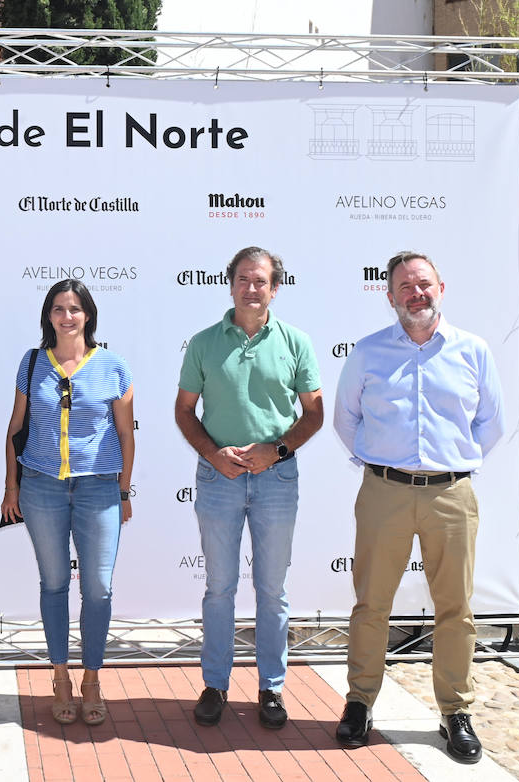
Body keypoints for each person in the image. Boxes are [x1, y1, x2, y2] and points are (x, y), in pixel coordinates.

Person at [332, 251, 504, 764]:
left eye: (424, 284)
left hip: (452, 494)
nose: (416, 293)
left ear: (441, 288)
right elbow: (347, 421)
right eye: (405, 286)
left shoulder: (473, 351)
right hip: (384, 491)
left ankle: (456, 711)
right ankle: (360, 703)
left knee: (455, 609)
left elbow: (490, 423)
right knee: (371, 604)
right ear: (390, 297)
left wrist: (451, 463)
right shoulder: (367, 353)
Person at [174, 246, 323, 729]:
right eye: (243, 279)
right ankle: (215, 684)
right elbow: (183, 411)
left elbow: (314, 413)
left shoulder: (296, 342)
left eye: (260, 280)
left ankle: (271, 689)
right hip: (219, 478)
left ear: (275, 287)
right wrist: (212, 454)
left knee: (272, 590)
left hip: (276, 478)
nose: (251, 287)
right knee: (219, 589)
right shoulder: (202, 343)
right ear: (231, 284)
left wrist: (276, 451)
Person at [1, 279, 135, 727]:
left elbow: (125, 433)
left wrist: (123, 490)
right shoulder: (32, 362)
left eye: (74, 308)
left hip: (98, 489)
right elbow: (16, 426)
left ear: (88, 315)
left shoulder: (113, 365)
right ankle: (60, 676)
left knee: (98, 588)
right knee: (54, 583)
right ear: (49, 316)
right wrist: (11, 487)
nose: (66, 316)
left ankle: (92, 678)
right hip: (42, 487)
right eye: (58, 308)